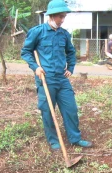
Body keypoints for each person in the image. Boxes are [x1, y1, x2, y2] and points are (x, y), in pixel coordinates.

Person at [21, 0, 92, 150]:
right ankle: (53, 140)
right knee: (48, 111)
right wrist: (35, 67)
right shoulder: (37, 32)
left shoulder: (64, 34)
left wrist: (70, 68)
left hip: (62, 78)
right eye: (60, 16)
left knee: (71, 109)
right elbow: (26, 51)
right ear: (52, 15)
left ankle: (75, 138)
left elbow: (71, 52)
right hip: (45, 78)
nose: (62, 20)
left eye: (64, 16)